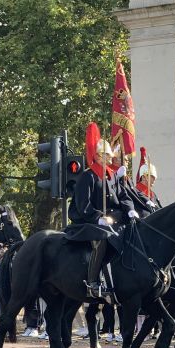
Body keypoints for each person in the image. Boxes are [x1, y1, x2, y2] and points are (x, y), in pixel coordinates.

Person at [66, 123, 137, 301]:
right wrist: (98, 218)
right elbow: (83, 206)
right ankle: (93, 281)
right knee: (103, 238)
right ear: (96, 156)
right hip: (89, 221)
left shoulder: (111, 176)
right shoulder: (87, 176)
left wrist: (130, 210)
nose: (107, 158)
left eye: (108, 155)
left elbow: (123, 196)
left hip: (114, 219)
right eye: (103, 155)